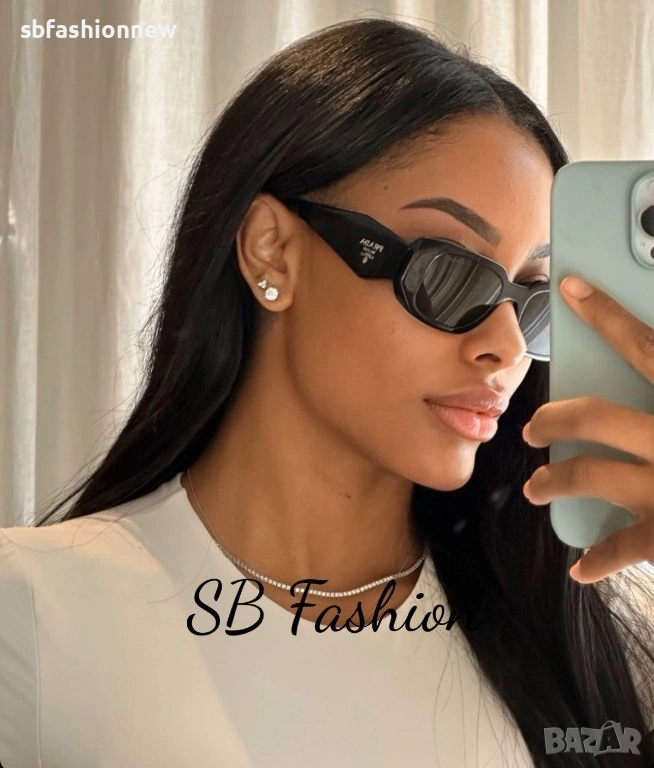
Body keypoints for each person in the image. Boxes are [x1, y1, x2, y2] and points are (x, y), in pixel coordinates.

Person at [0, 17, 652, 768]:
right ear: (272, 250)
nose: (505, 347)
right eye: (446, 272)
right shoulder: (35, 613)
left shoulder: (592, 642)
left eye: (532, 299)